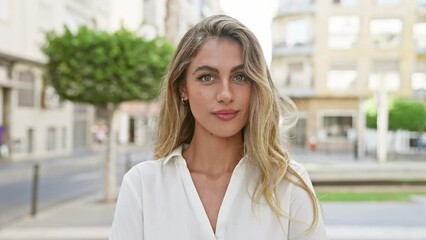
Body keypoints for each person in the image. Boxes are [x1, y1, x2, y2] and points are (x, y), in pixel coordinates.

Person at [109, 15, 328, 240]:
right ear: (182, 88)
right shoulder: (142, 186)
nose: (225, 94)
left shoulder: (288, 184)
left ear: (256, 88)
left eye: (240, 77)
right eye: (207, 78)